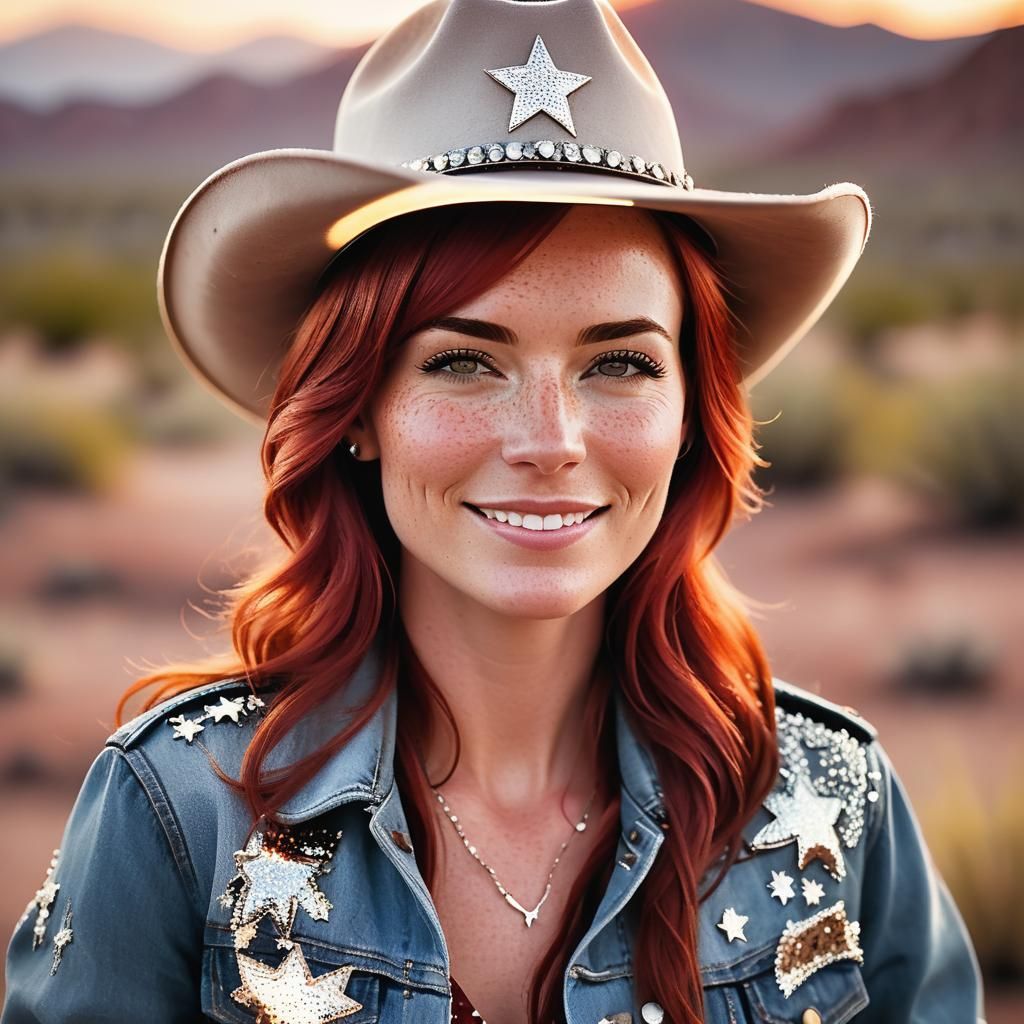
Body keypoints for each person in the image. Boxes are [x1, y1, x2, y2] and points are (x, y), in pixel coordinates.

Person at [3, 1, 985, 1022]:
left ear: (692, 411)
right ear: (359, 409)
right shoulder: (179, 813)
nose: (551, 437)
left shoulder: (833, 807)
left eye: (620, 362)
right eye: (464, 360)